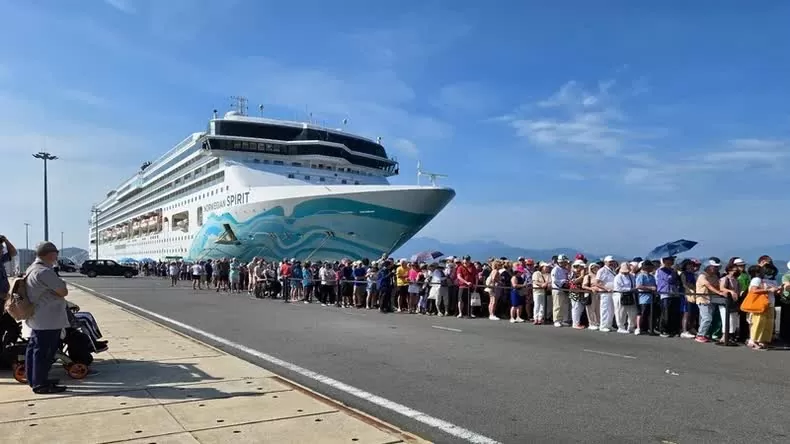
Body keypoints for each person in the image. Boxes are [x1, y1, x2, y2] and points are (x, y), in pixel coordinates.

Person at [24, 241, 69, 394]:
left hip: (39, 317)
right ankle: (40, 384)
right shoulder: (44, 271)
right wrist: (61, 284)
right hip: (48, 319)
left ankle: (34, 378)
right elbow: (63, 291)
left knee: (35, 349)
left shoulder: (32, 268)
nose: (57, 255)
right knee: (44, 352)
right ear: (50, 254)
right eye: (56, 252)